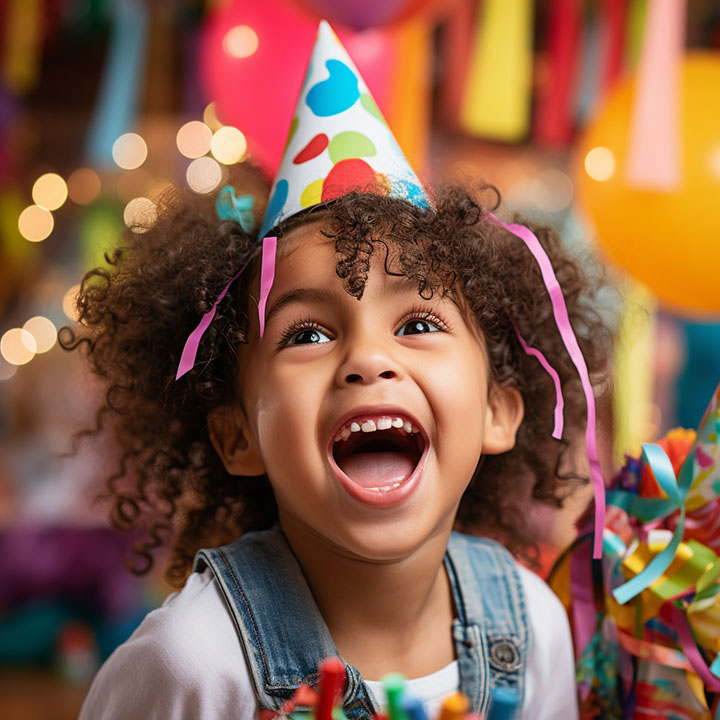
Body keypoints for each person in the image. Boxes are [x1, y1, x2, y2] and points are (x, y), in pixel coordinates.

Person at [65, 21, 613, 720]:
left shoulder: (532, 627)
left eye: (418, 324)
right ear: (238, 436)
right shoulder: (194, 663)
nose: (368, 359)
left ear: (498, 413)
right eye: (308, 333)